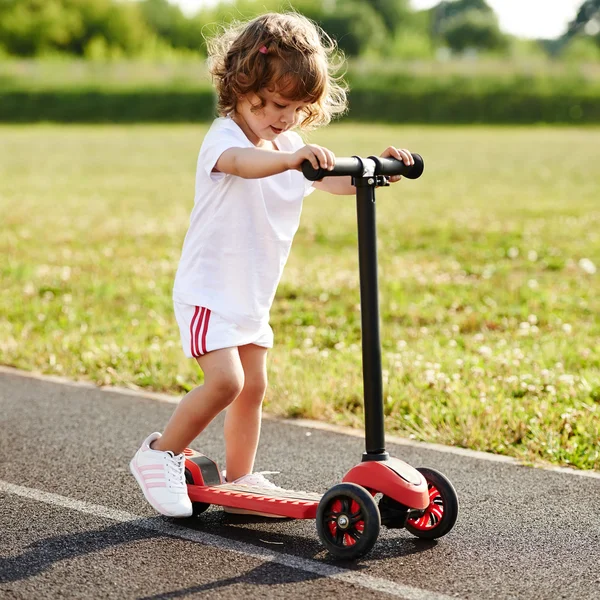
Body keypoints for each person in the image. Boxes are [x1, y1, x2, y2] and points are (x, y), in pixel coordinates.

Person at [129, 11, 415, 518]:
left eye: (298, 109)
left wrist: (376, 171)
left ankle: (241, 481)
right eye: (277, 105)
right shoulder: (225, 140)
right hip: (209, 293)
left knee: (254, 387)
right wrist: (290, 158)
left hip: (251, 296)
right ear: (242, 87)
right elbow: (245, 166)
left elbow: (333, 182)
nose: (285, 119)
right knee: (226, 382)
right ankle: (158, 455)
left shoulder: (287, 146)